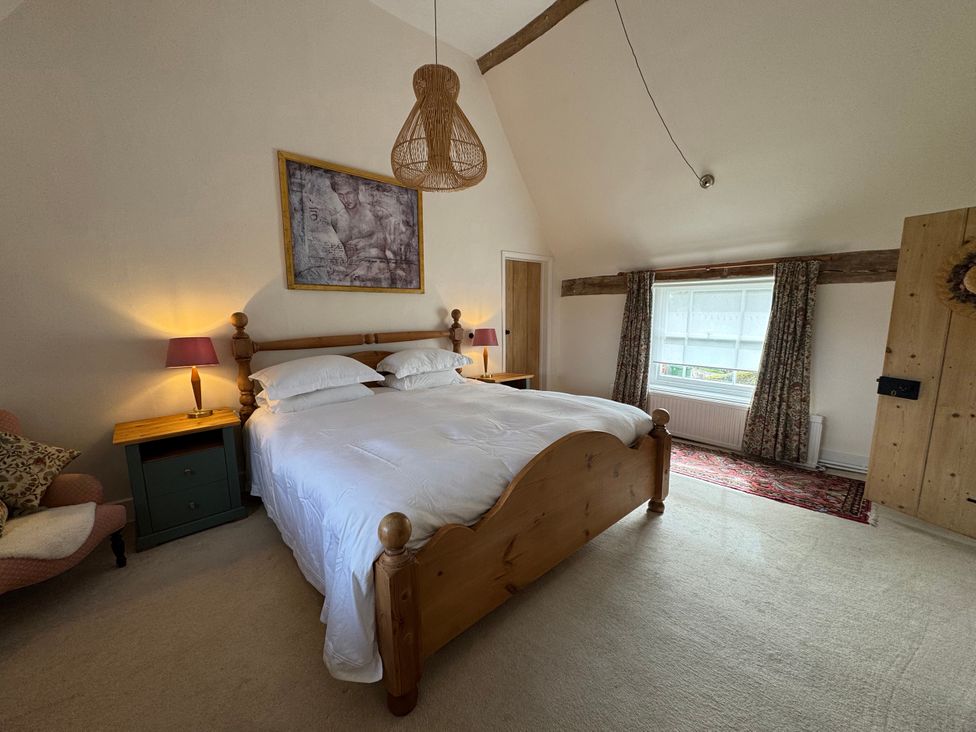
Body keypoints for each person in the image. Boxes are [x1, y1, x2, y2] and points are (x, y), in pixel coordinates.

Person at [329, 175, 394, 287]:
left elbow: (390, 244)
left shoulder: (375, 212)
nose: (346, 199)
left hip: (378, 271)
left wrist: (366, 242)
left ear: (357, 191)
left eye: (349, 193)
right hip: (353, 274)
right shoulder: (335, 220)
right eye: (341, 195)